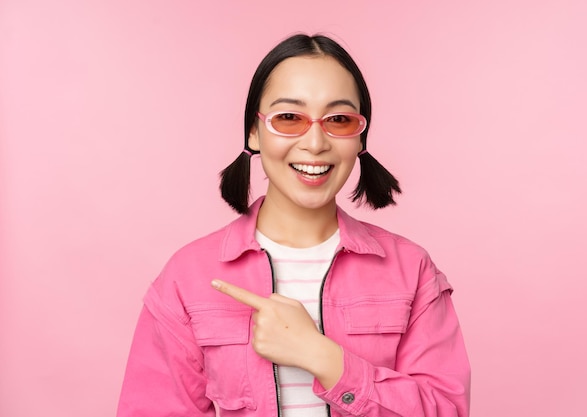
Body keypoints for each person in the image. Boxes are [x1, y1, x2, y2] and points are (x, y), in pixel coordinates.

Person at [117, 33, 470, 417]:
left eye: (338, 119)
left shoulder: (411, 270)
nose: (315, 142)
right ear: (253, 131)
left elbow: (446, 410)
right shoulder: (187, 278)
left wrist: (322, 357)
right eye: (288, 118)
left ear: (360, 137)